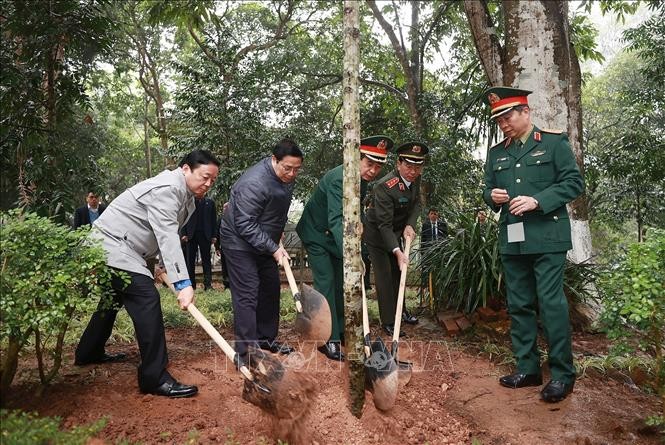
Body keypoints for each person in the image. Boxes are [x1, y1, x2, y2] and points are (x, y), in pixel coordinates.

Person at [75, 150, 220, 398]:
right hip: (110, 246)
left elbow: (160, 232)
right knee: (146, 298)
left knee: (113, 298)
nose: (207, 184)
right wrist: (183, 282)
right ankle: (154, 378)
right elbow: (166, 235)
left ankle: (88, 352)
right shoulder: (167, 189)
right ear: (186, 169)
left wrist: (160, 265)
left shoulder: (187, 196)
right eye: (204, 177)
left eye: (212, 180)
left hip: (123, 248)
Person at [481, 86, 584, 403]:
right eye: (498, 120)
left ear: (526, 112)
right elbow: (487, 189)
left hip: (547, 238)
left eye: (508, 116)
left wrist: (538, 200)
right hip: (513, 239)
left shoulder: (553, 143)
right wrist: (492, 197)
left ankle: (563, 374)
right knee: (519, 303)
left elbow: (573, 183)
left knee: (551, 304)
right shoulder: (497, 153)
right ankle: (528, 369)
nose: (504, 124)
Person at [296, 136, 392, 361]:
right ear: (356, 159)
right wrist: (353, 256)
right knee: (327, 282)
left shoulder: (362, 179)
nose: (373, 171)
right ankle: (328, 340)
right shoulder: (340, 178)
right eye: (369, 164)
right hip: (317, 234)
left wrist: (358, 231)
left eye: (378, 167)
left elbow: (352, 215)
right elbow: (337, 220)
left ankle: (340, 332)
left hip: (336, 236)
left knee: (341, 281)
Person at [220, 138, 303, 363]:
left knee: (270, 287)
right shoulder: (255, 182)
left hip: (264, 239)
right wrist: (273, 248)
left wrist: (276, 231)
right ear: (274, 160)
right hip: (238, 241)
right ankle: (247, 353)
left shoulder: (286, 176)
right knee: (248, 292)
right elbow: (245, 224)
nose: (292, 174)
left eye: (297, 169)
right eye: (288, 168)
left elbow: (274, 209)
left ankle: (266, 339)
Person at [363, 141, 429, 336]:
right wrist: (397, 251)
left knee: (398, 274)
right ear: (398, 164)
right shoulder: (384, 187)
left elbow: (416, 204)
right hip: (377, 235)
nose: (412, 171)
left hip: (397, 232)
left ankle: (402, 311)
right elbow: (384, 225)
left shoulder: (415, 180)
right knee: (384, 277)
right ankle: (389, 322)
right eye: (408, 166)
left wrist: (410, 224)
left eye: (417, 167)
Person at [180, 196, 217, 290]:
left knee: (206, 260)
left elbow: (213, 219)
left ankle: (208, 284)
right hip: (190, 235)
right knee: (190, 261)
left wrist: (214, 235)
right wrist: (183, 233)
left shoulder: (210, 202)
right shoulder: (188, 202)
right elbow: (183, 217)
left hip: (205, 234)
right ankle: (191, 285)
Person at [420, 207, 447, 294]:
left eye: (435, 213)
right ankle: (427, 289)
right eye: (431, 213)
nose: (433, 215)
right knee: (428, 272)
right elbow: (423, 240)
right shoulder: (425, 225)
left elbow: (446, 239)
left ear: (437, 215)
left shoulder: (443, 225)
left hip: (440, 252)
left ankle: (440, 289)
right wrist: (423, 253)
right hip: (428, 253)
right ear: (429, 215)